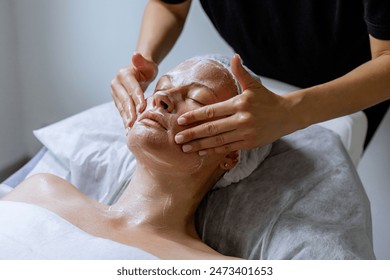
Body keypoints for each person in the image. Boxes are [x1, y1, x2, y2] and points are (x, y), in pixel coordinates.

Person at [0, 56, 261, 259]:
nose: (162, 97)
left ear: (230, 154)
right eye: (161, 87)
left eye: (197, 99)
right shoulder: (43, 190)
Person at [111, 0, 390, 155]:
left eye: (196, 98)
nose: (161, 98)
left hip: (348, 91)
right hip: (257, 76)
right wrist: (145, 58)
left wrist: (292, 112)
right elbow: (170, 5)